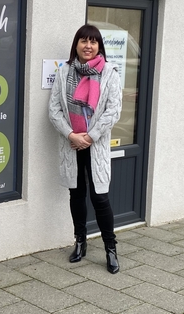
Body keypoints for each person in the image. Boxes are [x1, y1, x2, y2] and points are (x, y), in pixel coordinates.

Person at [49, 24, 123, 274]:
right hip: (72, 145)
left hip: (95, 145)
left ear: (99, 46)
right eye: (83, 41)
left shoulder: (110, 74)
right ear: (76, 44)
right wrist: (71, 134)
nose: (88, 46)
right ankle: (80, 241)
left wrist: (89, 137)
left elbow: (113, 112)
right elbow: (54, 110)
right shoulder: (64, 72)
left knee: (100, 198)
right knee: (76, 196)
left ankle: (110, 249)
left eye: (93, 42)